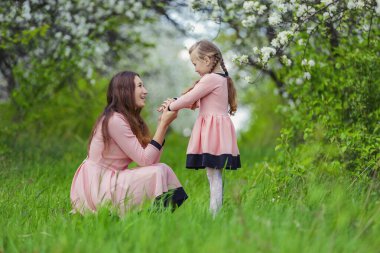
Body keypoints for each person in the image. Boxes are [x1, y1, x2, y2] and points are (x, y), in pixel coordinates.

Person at [70, 71, 188, 215]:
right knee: (159, 171)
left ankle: (155, 220)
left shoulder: (129, 119)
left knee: (163, 169)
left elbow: (152, 160)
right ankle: (151, 219)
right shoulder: (115, 120)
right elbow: (145, 161)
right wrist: (163, 124)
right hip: (98, 185)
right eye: (140, 86)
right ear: (126, 91)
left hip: (111, 178)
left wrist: (162, 124)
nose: (145, 91)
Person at [158, 39, 241, 216]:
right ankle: (215, 212)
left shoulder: (211, 79)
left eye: (195, 63)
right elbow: (193, 101)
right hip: (216, 130)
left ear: (208, 60)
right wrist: (173, 102)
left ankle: (214, 215)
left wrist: (171, 107)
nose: (195, 68)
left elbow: (189, 99)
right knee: (213, 174)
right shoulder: (219, 79)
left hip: (213, 131)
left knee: (213, 175)